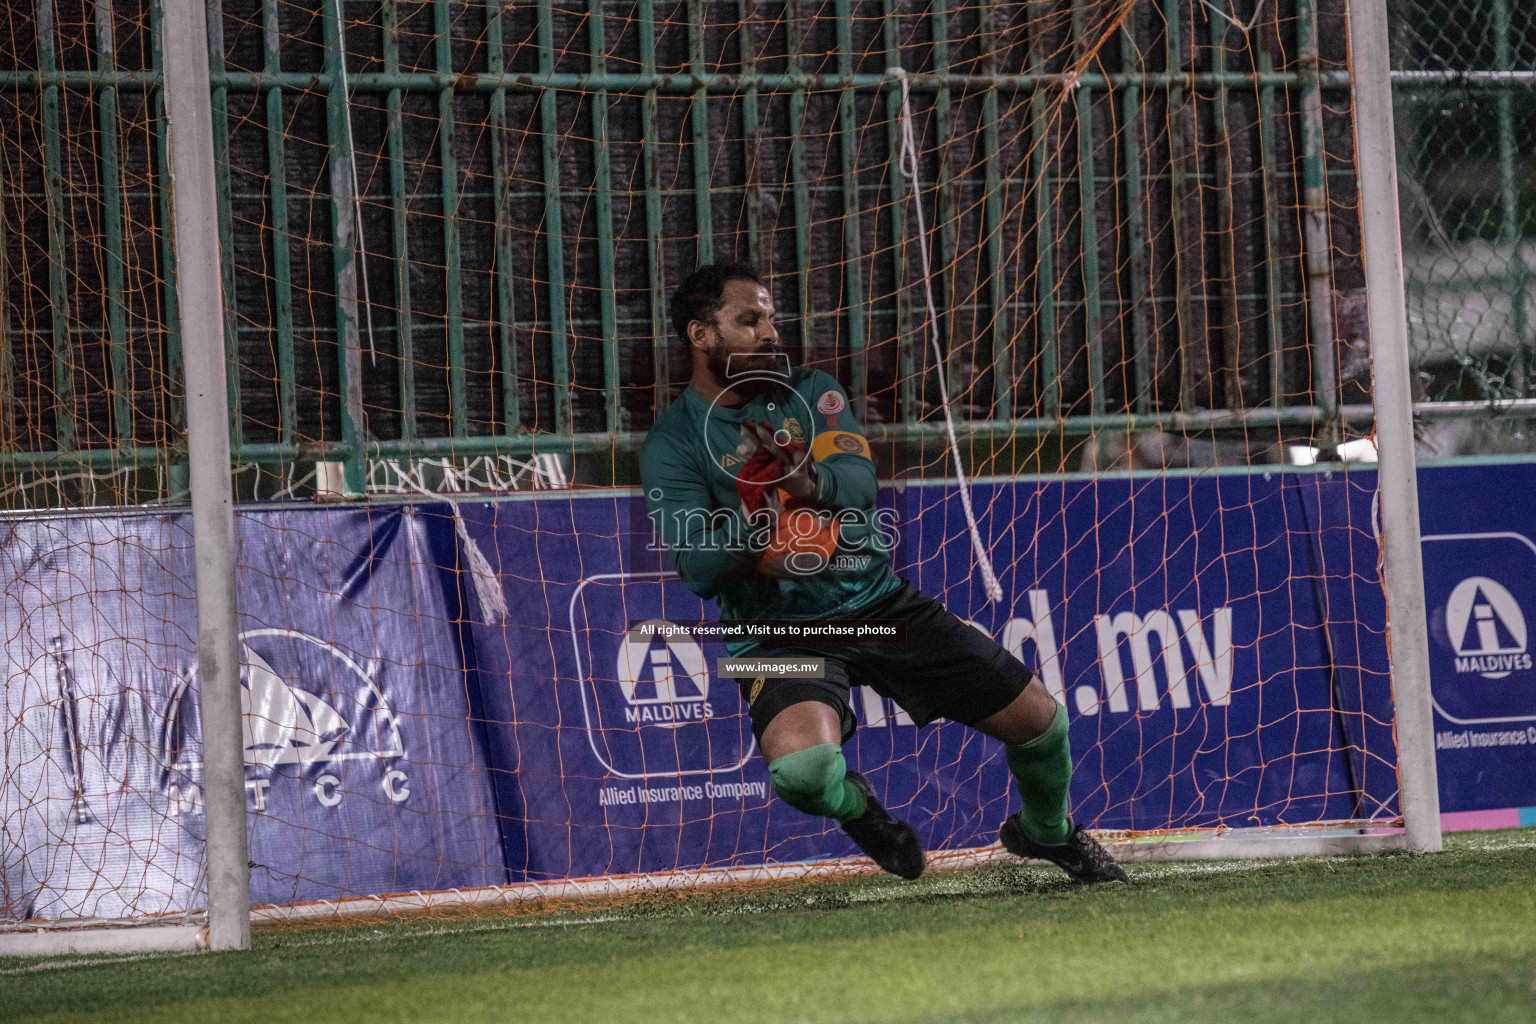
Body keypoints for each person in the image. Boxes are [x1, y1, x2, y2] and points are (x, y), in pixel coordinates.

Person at [639, 263, 1126, 884]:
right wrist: (756, 525)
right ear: (701, 336)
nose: (770, 332)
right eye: (749, 320)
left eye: (771, 318)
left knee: (1042, 723)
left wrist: (807, 483)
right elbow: (700, 572)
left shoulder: (812, 392)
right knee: (805, 775)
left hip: (878, 606)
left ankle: (1047, 832)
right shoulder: (671, 445)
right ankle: (857, 807)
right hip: (773, 634)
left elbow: (862, 485)